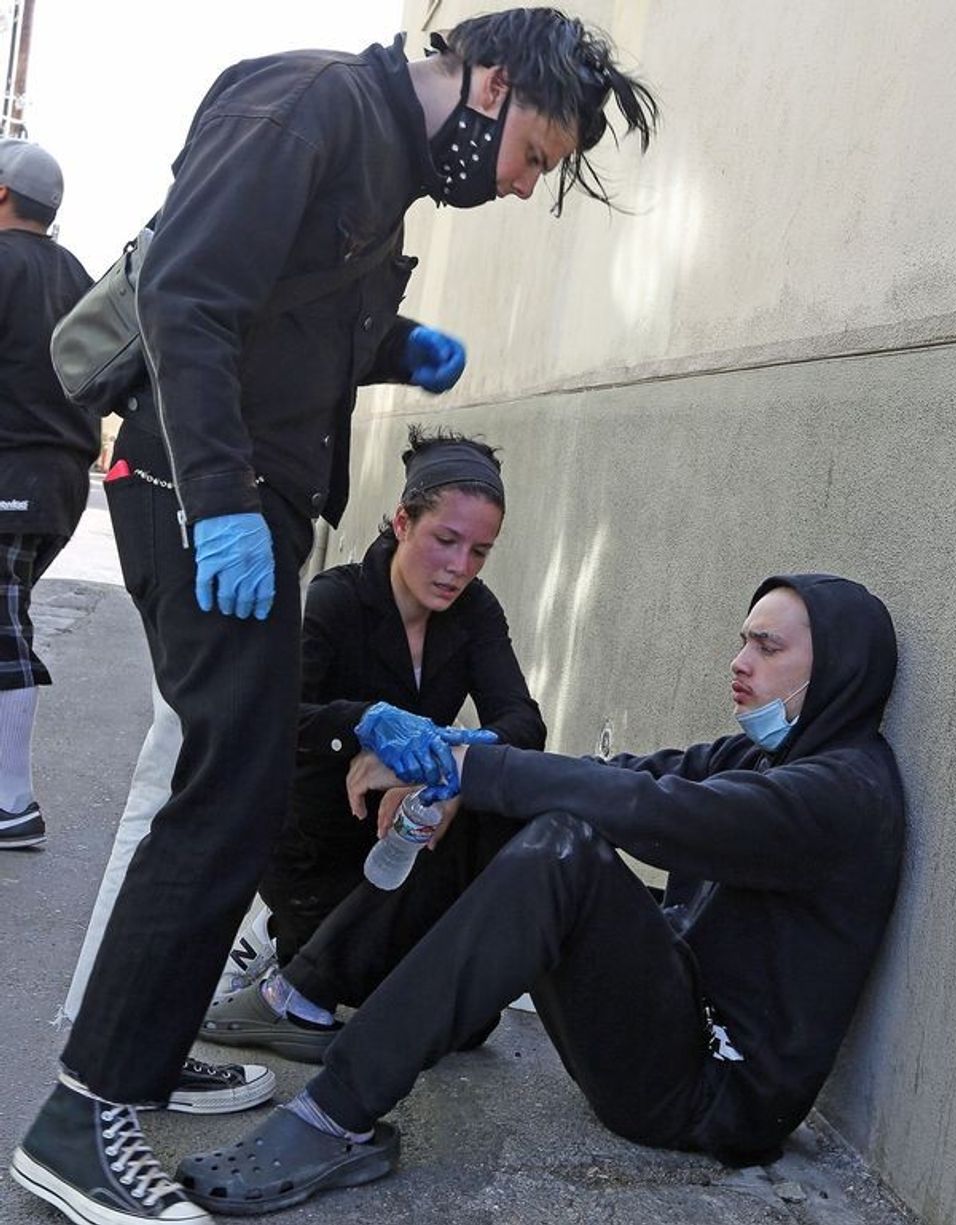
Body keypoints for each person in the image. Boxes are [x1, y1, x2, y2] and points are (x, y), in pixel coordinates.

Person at [10, 11, 658, 1224]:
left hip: (246, 496)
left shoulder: (380, 156)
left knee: (232, 785)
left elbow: (284, 316)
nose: (521, 186)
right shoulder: (306, 105)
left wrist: (396, 344)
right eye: (532, 153)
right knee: (230, 790)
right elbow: (193, 301)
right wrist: (219, 507)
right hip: (191, 491)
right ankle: (79, 1115)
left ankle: (139, 1056)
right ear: (490, 82)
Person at [170, 573, 904, 1217]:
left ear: (836, 668)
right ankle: (304, 990)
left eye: (768, 648)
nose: (740, 663)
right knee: (502, 804)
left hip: (713, 1093)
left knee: (560, 847)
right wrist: (458, 763)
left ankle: (334, 1114)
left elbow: (656, 814)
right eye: (743, 640)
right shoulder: (767, 751)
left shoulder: (842, 796)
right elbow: (624, 772)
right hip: (673, 1008)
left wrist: (472, 766)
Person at [200, 425, 546, 1060]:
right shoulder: (335, 600)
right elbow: (268, 717)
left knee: (469, 1028)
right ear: (403, 521)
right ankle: (281, 958)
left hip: (402, 839)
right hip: (311, 840)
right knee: (382, 996)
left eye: (479, 552)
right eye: (446, 540)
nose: (459, 568)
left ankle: (287, 948)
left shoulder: (475, 612)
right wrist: (364, 722)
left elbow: (523, 722)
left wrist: (441, 768)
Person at [0, 139, 98, 851]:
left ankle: (11, 802)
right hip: (62, 479)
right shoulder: (79, 275)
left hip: (9, 468)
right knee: (8, 618)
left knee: (3, 632)